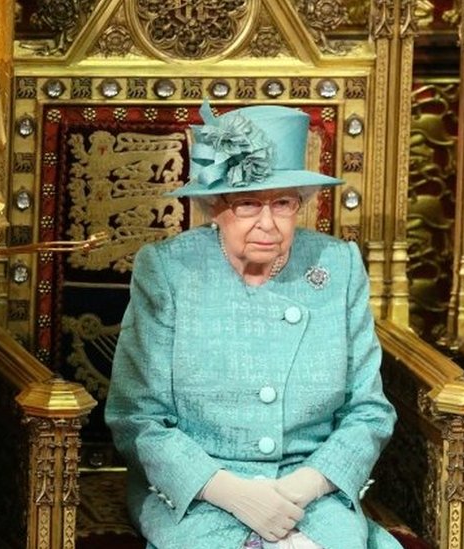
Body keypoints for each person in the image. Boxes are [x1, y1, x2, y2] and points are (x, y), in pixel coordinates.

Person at [106, 102, 401, 549]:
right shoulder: (168, 271)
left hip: (313, 496)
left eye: (282, 204)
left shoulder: (337, 266)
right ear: (214, 207)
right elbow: (136, 417)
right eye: (247, 204)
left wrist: (308, 485)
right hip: (200, 496)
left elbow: (369, 410)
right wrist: (232, 492)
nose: (268, 224)